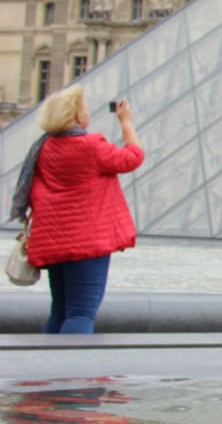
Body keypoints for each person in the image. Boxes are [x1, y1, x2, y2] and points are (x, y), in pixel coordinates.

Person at [10, 86, 143, 333]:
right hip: (86, 244)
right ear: (76, 116)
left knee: (59, 311)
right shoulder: (91, 146)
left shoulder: (44, 147)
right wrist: (126, 123)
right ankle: (71, 371)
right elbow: (132, 157)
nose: (88, 113)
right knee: (81, 313)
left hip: (53, 242)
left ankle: (46, 368)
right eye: (85, 109)